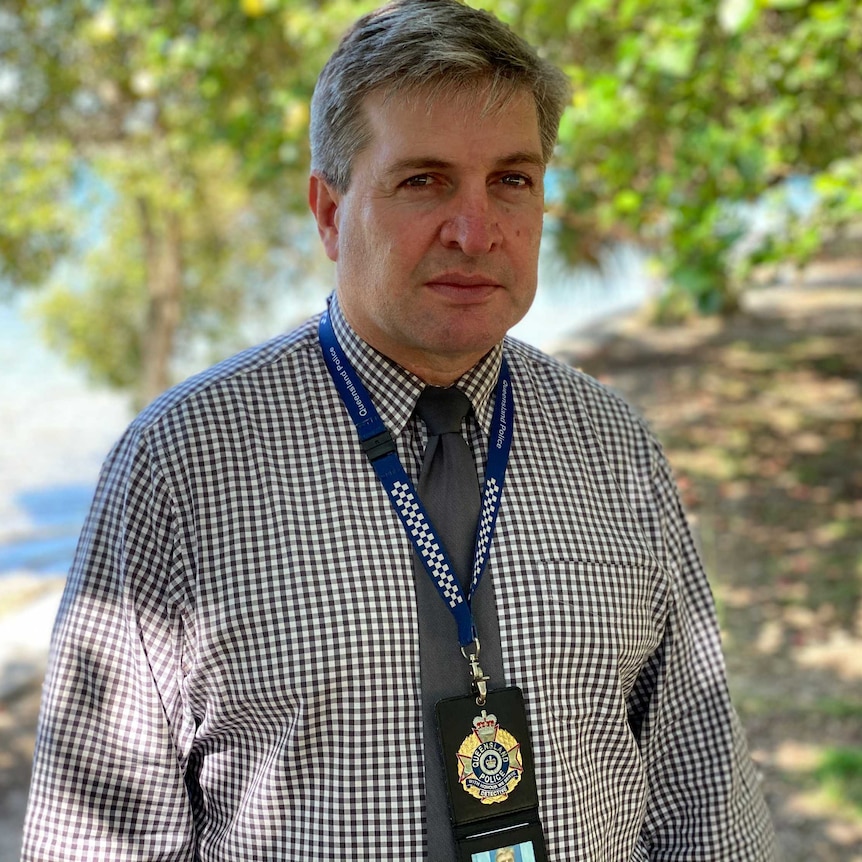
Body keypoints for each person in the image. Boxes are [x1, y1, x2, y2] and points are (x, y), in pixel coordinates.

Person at [22, 0, 777, 859]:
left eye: (512, 180)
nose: (475, 229)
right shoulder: (183, 462)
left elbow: (704, 793)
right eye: (423, 181)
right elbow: (99, 837)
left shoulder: (614, 443)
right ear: (329, 211)